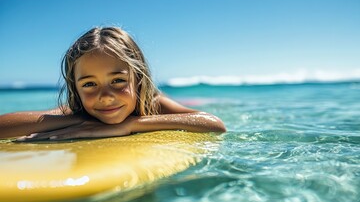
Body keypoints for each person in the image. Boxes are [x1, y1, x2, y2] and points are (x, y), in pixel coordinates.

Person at [0, 26, 226, 141]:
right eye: (89, 84)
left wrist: (127, 125)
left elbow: (214, 124)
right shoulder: (83, 109)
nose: (105, 96)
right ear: (75, 88)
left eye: (118, 81)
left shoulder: (154, 103)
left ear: (138, 80)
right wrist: (79, 118)